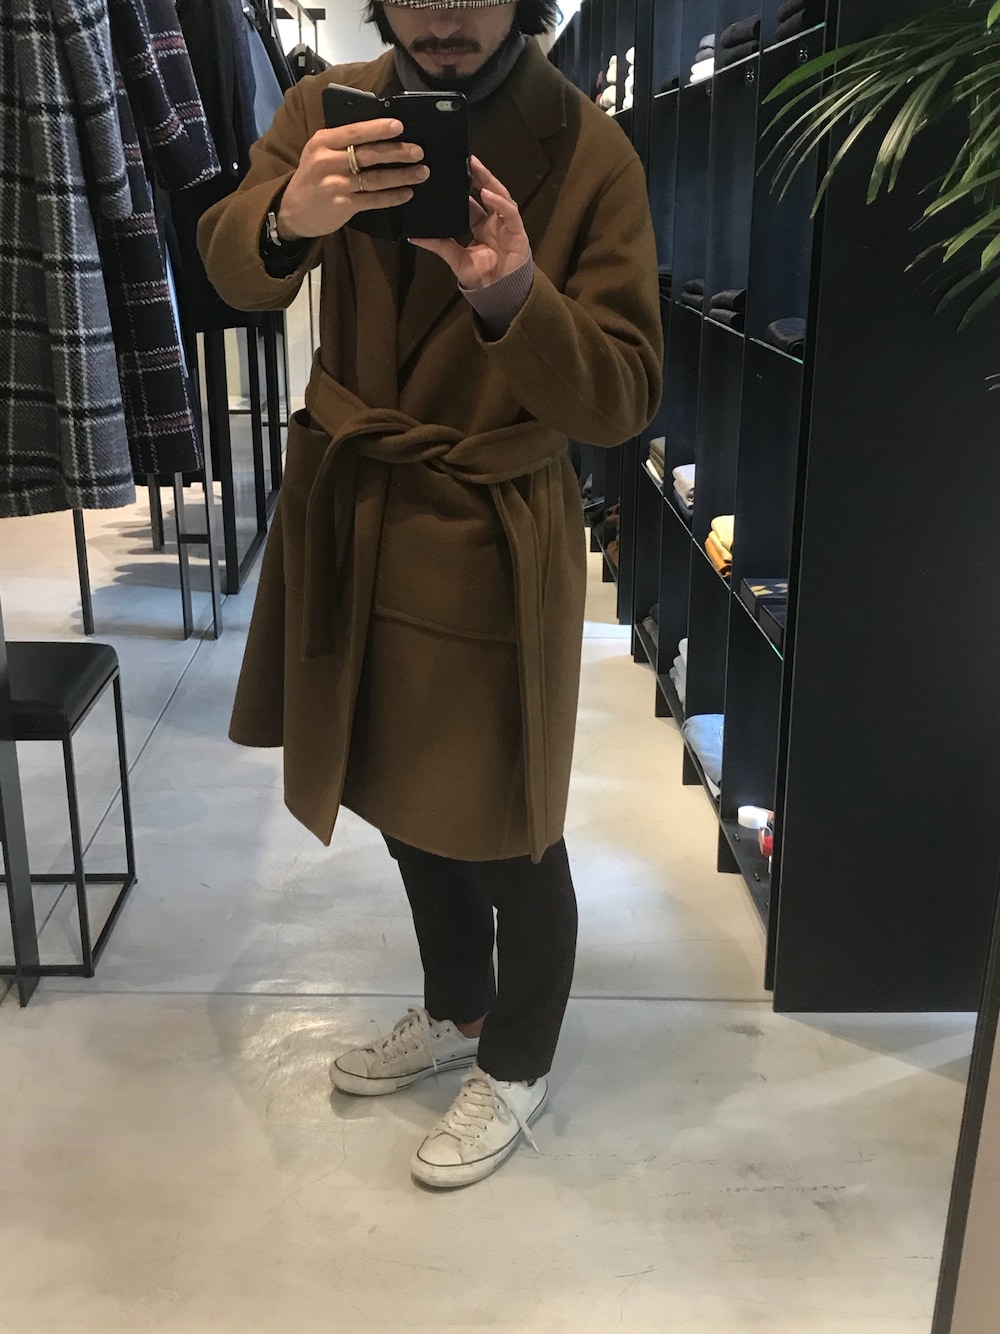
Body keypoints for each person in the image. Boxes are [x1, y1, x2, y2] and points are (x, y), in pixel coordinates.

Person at [198, 0, 662, 1190]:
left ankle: (518, 1055)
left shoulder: (589, 148)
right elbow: (227, 266)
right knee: (396, 786)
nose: (445, 14)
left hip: (488, 518)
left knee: (506, 817)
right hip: (358, 506)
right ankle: (459, 1003)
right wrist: (288, 218)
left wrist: (513, 294)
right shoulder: (323, 112)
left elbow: (621, 397)